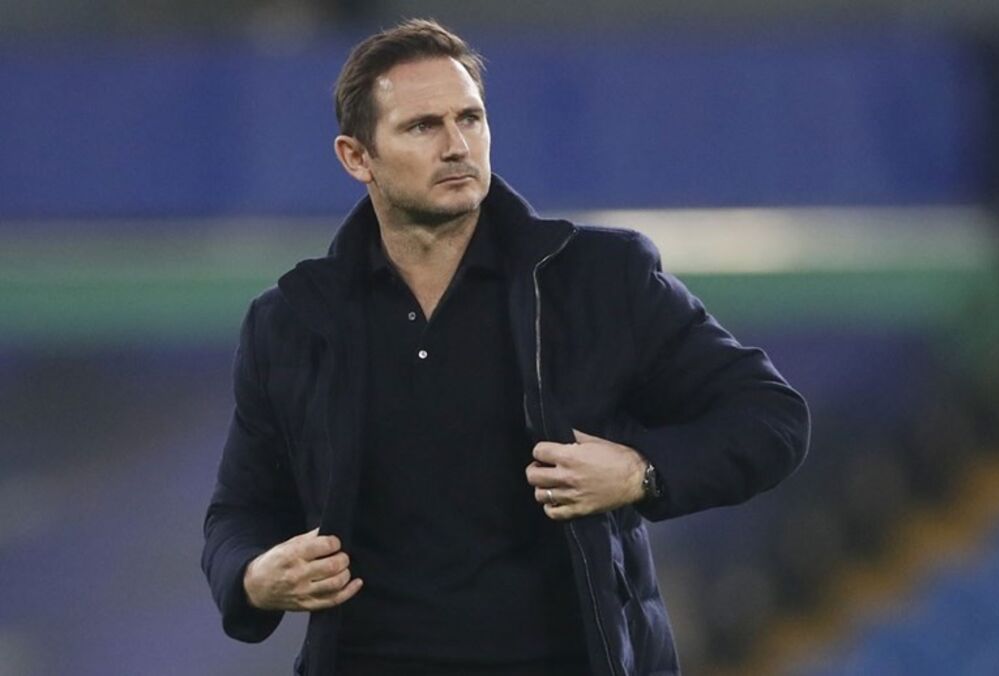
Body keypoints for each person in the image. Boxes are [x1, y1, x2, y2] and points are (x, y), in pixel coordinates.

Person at [201, 19, 809, 676]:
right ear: (357, 157)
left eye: (470, 118)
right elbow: (239, 512)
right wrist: (254, 577)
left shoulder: (601, 281)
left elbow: (771, 418)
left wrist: (642, 473)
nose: (457, 145)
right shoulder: (290, 322)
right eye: (422, 126)